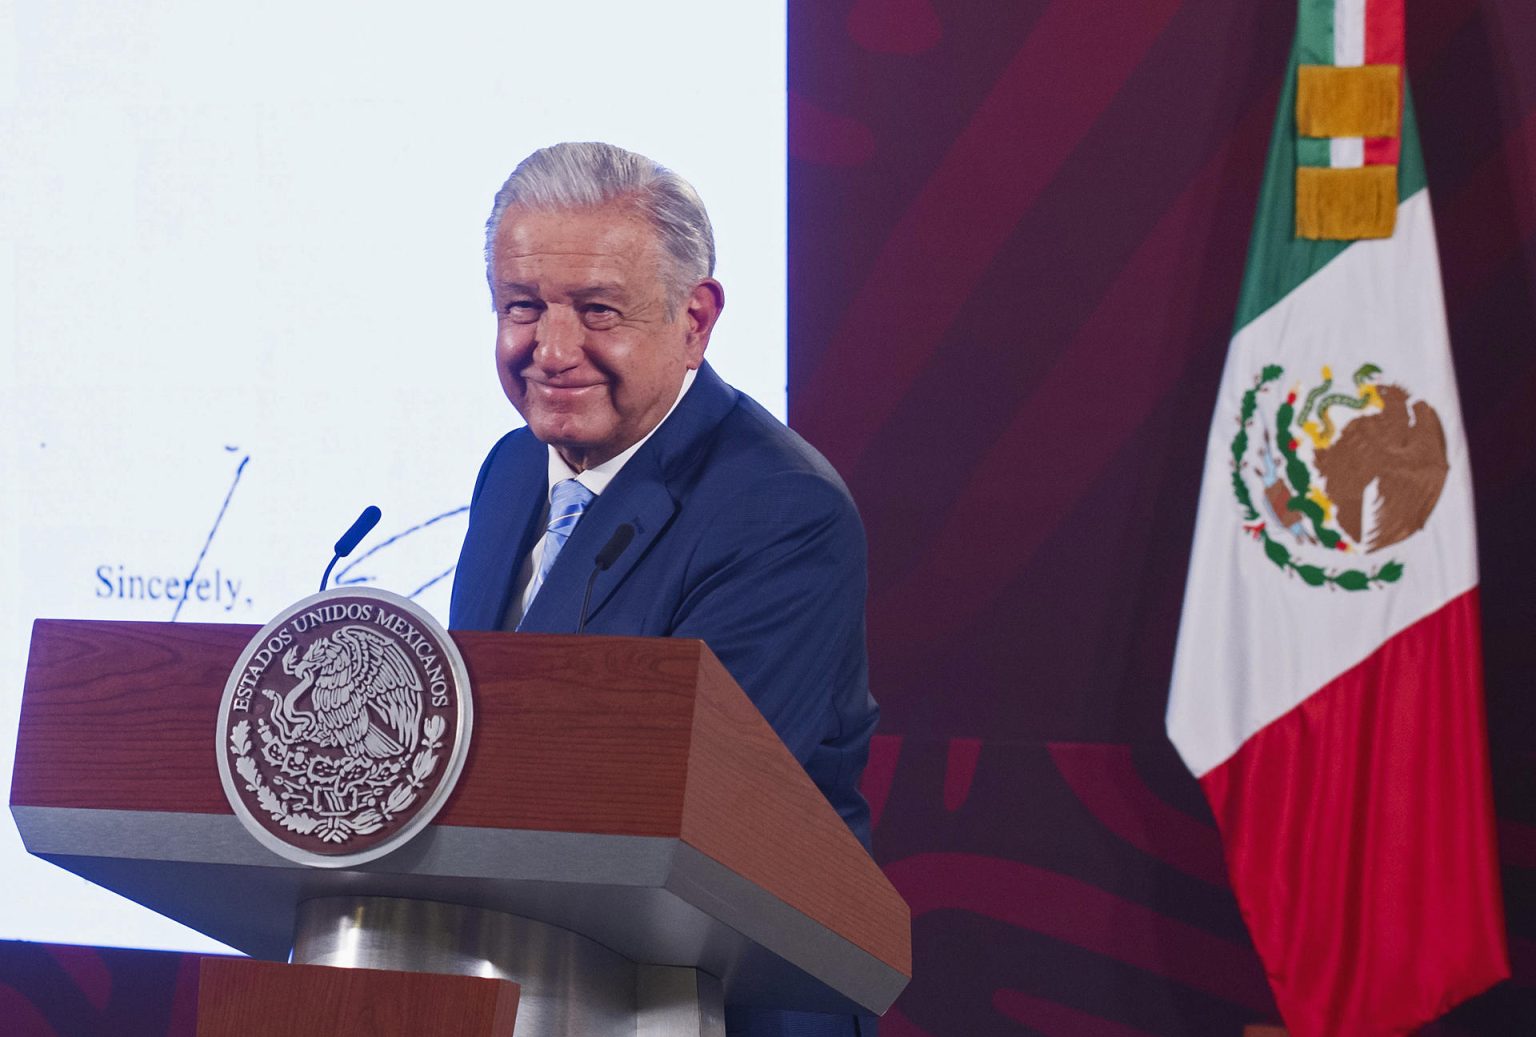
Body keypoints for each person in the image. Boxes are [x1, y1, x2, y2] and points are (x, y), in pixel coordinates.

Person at [449, 142, 880, 1037]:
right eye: (521, 307)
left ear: (696, 318)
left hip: (720, 999)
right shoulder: (510, 470)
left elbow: (696, 804)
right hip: (531, 978)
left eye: (597, 310)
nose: (551, 350)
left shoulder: (782, 510)